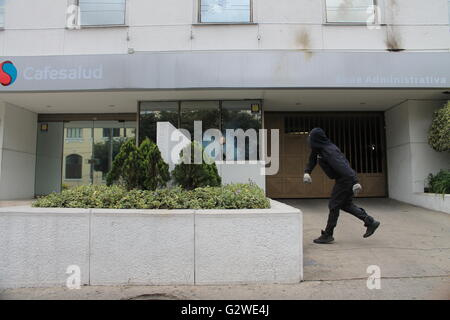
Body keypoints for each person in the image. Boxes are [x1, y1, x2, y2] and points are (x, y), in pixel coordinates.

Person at [303, 128, 380, 244]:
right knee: (345, 205)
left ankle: (328, 234)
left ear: (316, 139)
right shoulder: (318, 149)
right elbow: (312, 159)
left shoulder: (329, 150)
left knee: (334, 205)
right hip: (342, 179)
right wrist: (307, 172)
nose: (309, 140)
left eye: (311, 138)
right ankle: (370, 221)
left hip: (346, 179)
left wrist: (355, 181)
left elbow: (343, 166)